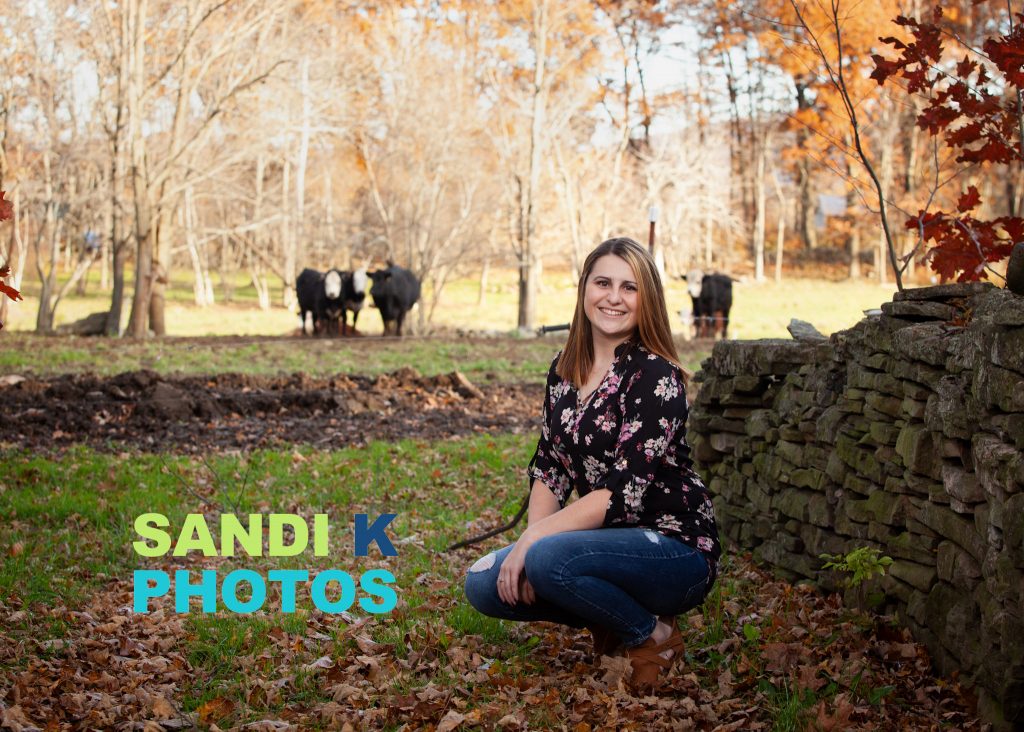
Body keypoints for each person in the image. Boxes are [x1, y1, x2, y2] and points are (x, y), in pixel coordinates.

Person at [464, 237, 721, 690]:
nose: (614, 298)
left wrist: (535, 542)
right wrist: (527, 544)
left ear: (647, 299)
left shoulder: (655, 376)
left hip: (674, 549)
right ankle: (610, 615)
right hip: (605, 543)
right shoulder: (564, 370)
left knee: (544, 559)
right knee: (483, 582)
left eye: (629, 287)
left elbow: (622, 493)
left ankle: (653, 633)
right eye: (603, 282)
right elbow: (550, 467)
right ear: (585, 289)